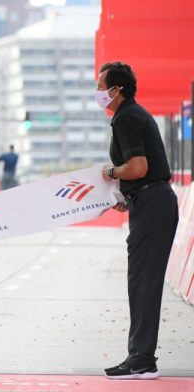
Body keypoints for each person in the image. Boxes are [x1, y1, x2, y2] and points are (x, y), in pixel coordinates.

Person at [97, 62, 178, 380]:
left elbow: (138, 167)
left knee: (143, 282)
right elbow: (139, 173)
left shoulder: (126, 117)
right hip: (149, 202)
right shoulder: (130, 114)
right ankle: (141, 356)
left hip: (153, 204)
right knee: (142, 281)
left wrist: (111, 173)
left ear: (117, 90)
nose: (99, 92)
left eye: (102, 87)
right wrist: (126, 194)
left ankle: (142, 359)